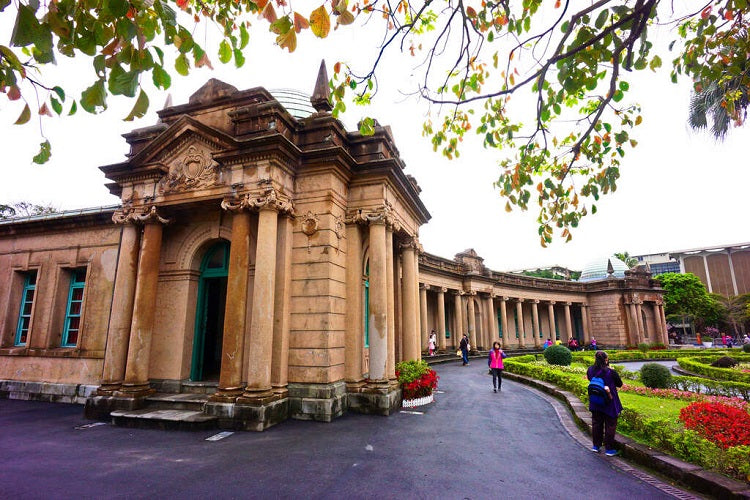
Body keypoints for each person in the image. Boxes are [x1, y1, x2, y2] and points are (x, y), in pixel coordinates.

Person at [587, 351, 623, 457]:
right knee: (610, 425)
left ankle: (596, 446)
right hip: (609, 401)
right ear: (606, 360)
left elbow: (590, 379)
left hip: (595, 400)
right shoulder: (610, 372)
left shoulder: (590, 370)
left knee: (596, 423)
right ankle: (609, 449)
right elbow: (619, 384)